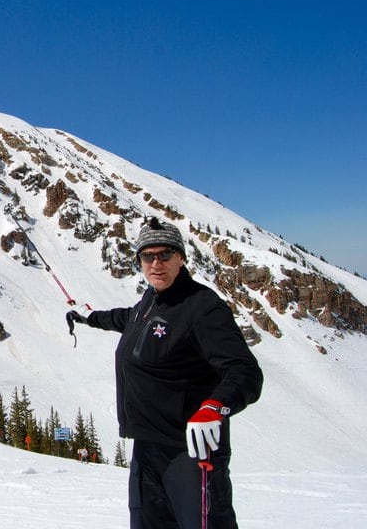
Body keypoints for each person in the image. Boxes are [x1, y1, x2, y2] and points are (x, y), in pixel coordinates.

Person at [69, 217, 263, 529]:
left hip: (190, 453)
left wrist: (215, 407)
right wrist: (89, 317)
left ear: (181, 257)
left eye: (165, 254)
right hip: (146, 449)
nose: (156, 263)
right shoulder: (151, 301)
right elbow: (129, 319)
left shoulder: (202, 307)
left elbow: (245, 370)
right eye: (148, 256)